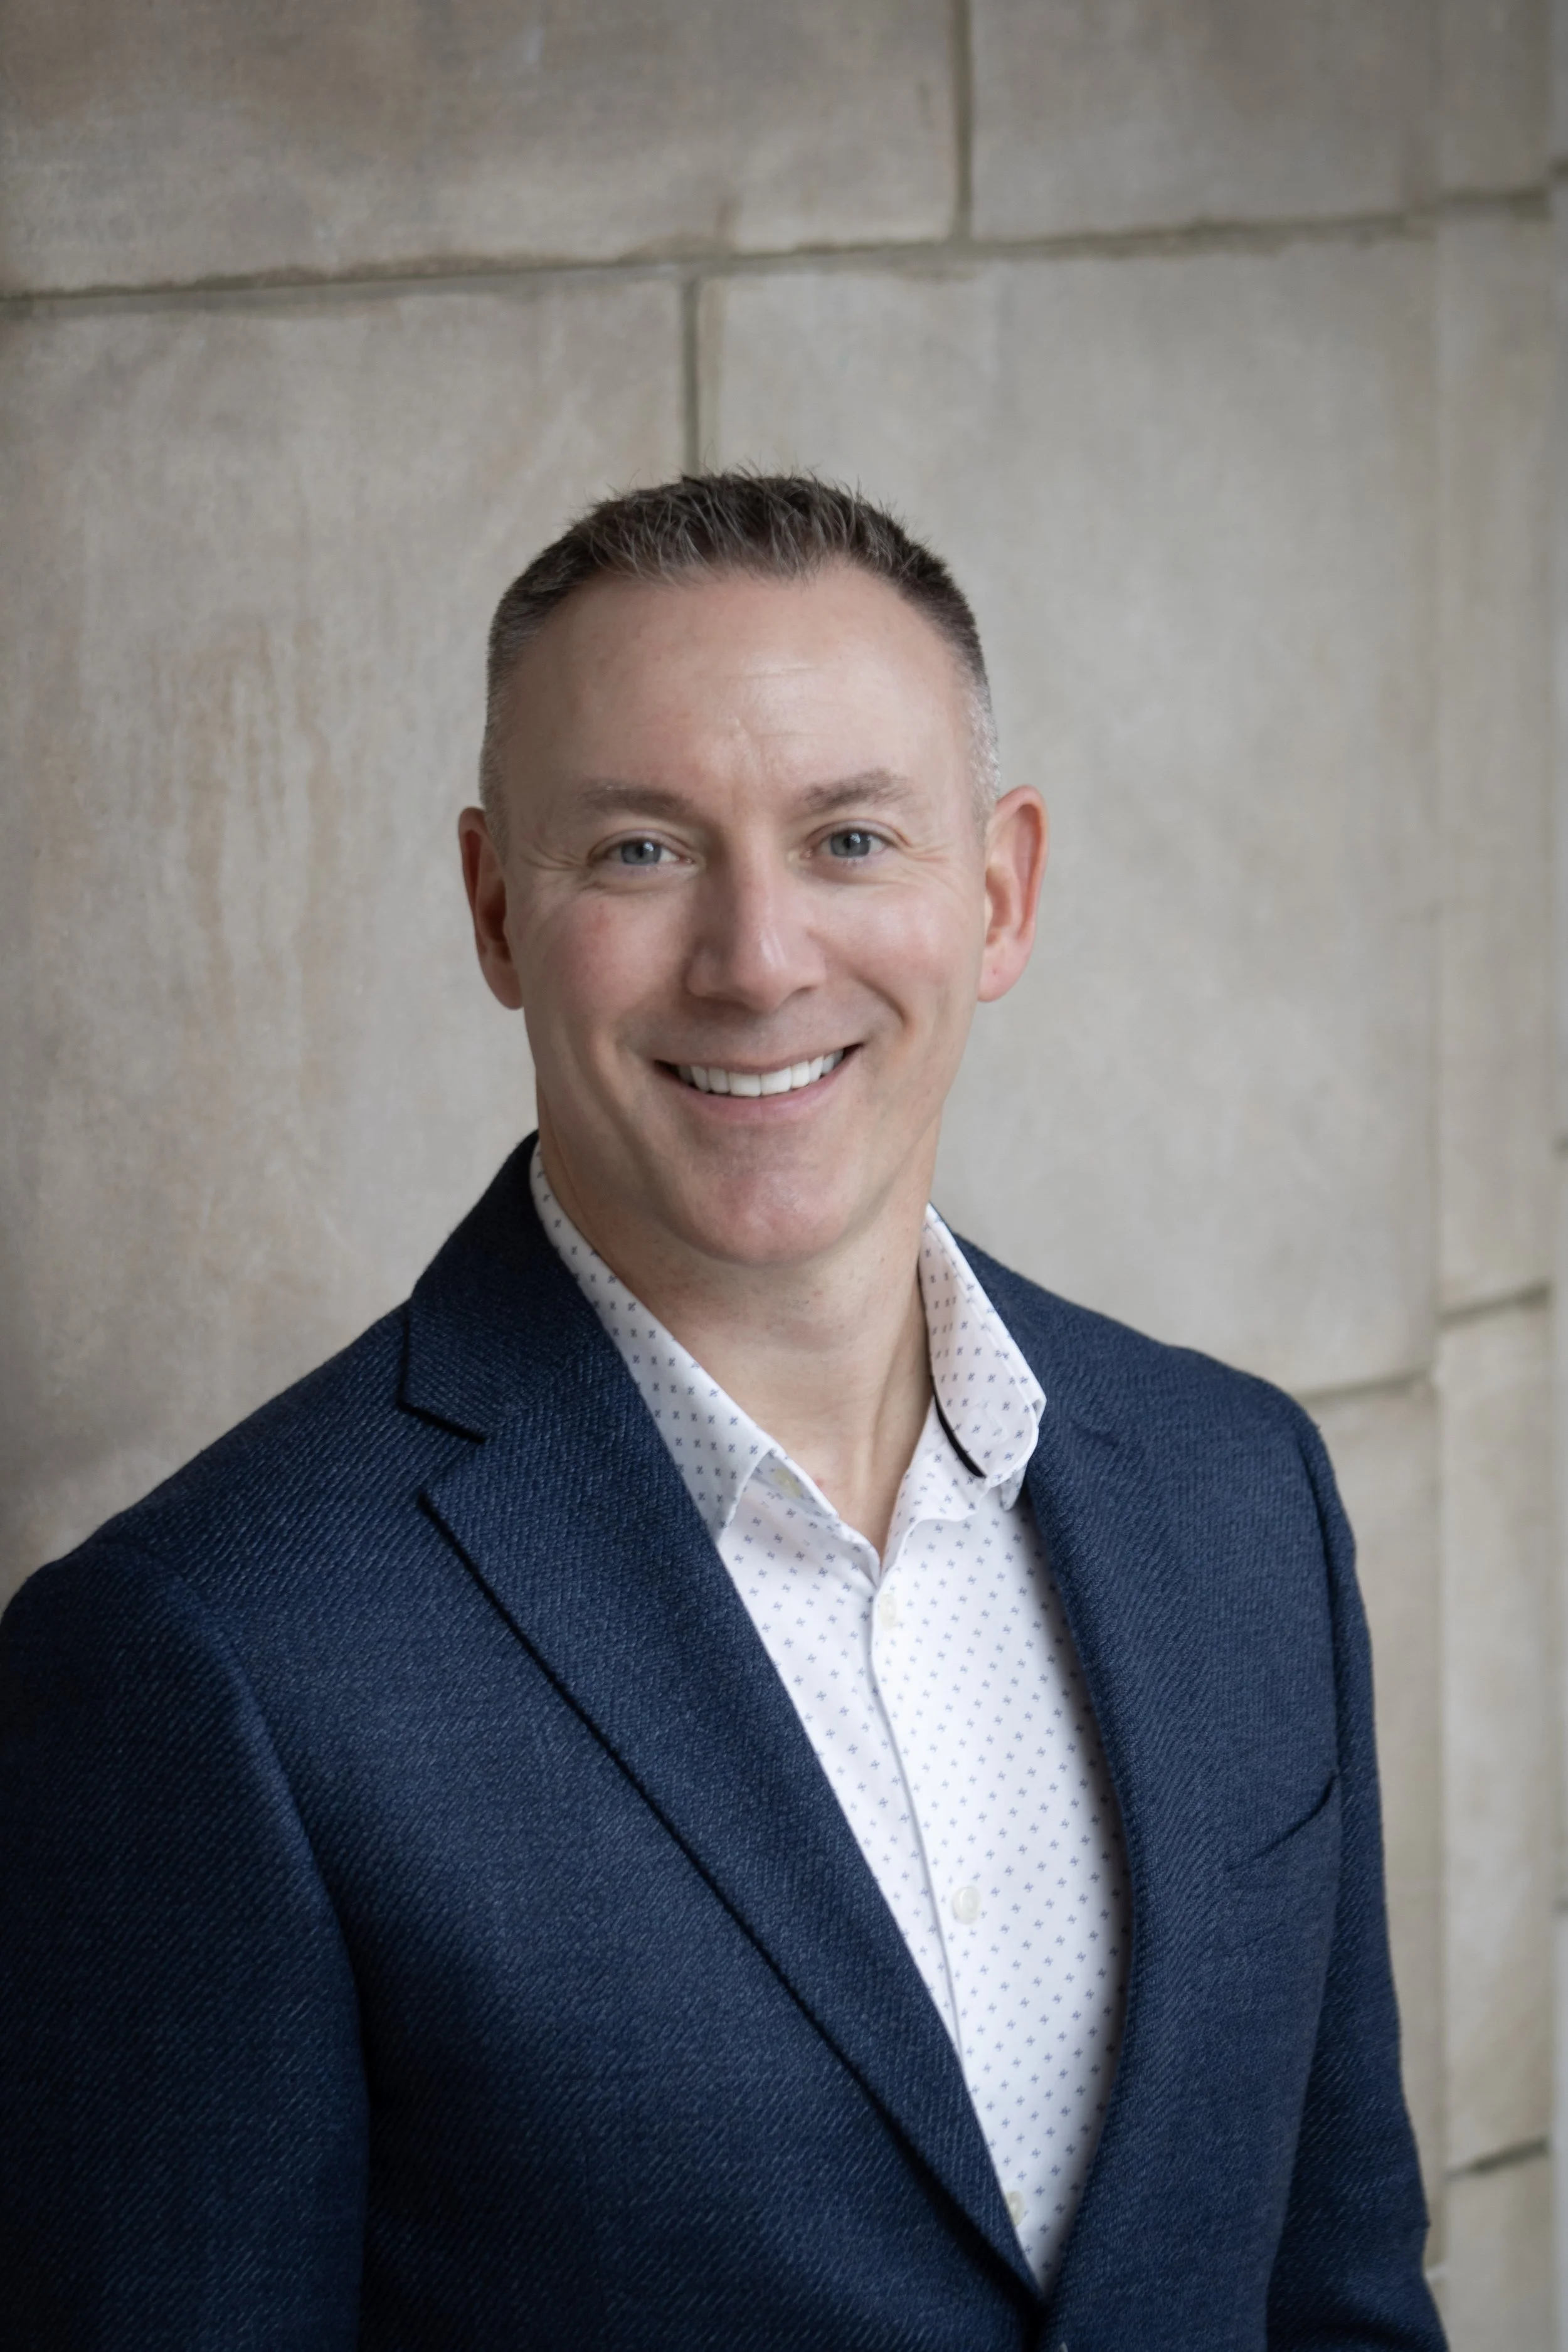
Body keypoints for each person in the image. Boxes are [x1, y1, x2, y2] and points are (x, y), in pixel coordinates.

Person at [0, 474, 1443, 2349]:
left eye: (851, 838)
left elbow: (1338, 2299)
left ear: (997, 893)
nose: (758, 958)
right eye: (639, 851)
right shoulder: (211, 1657)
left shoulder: (1245, 1493)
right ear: (495, 910)